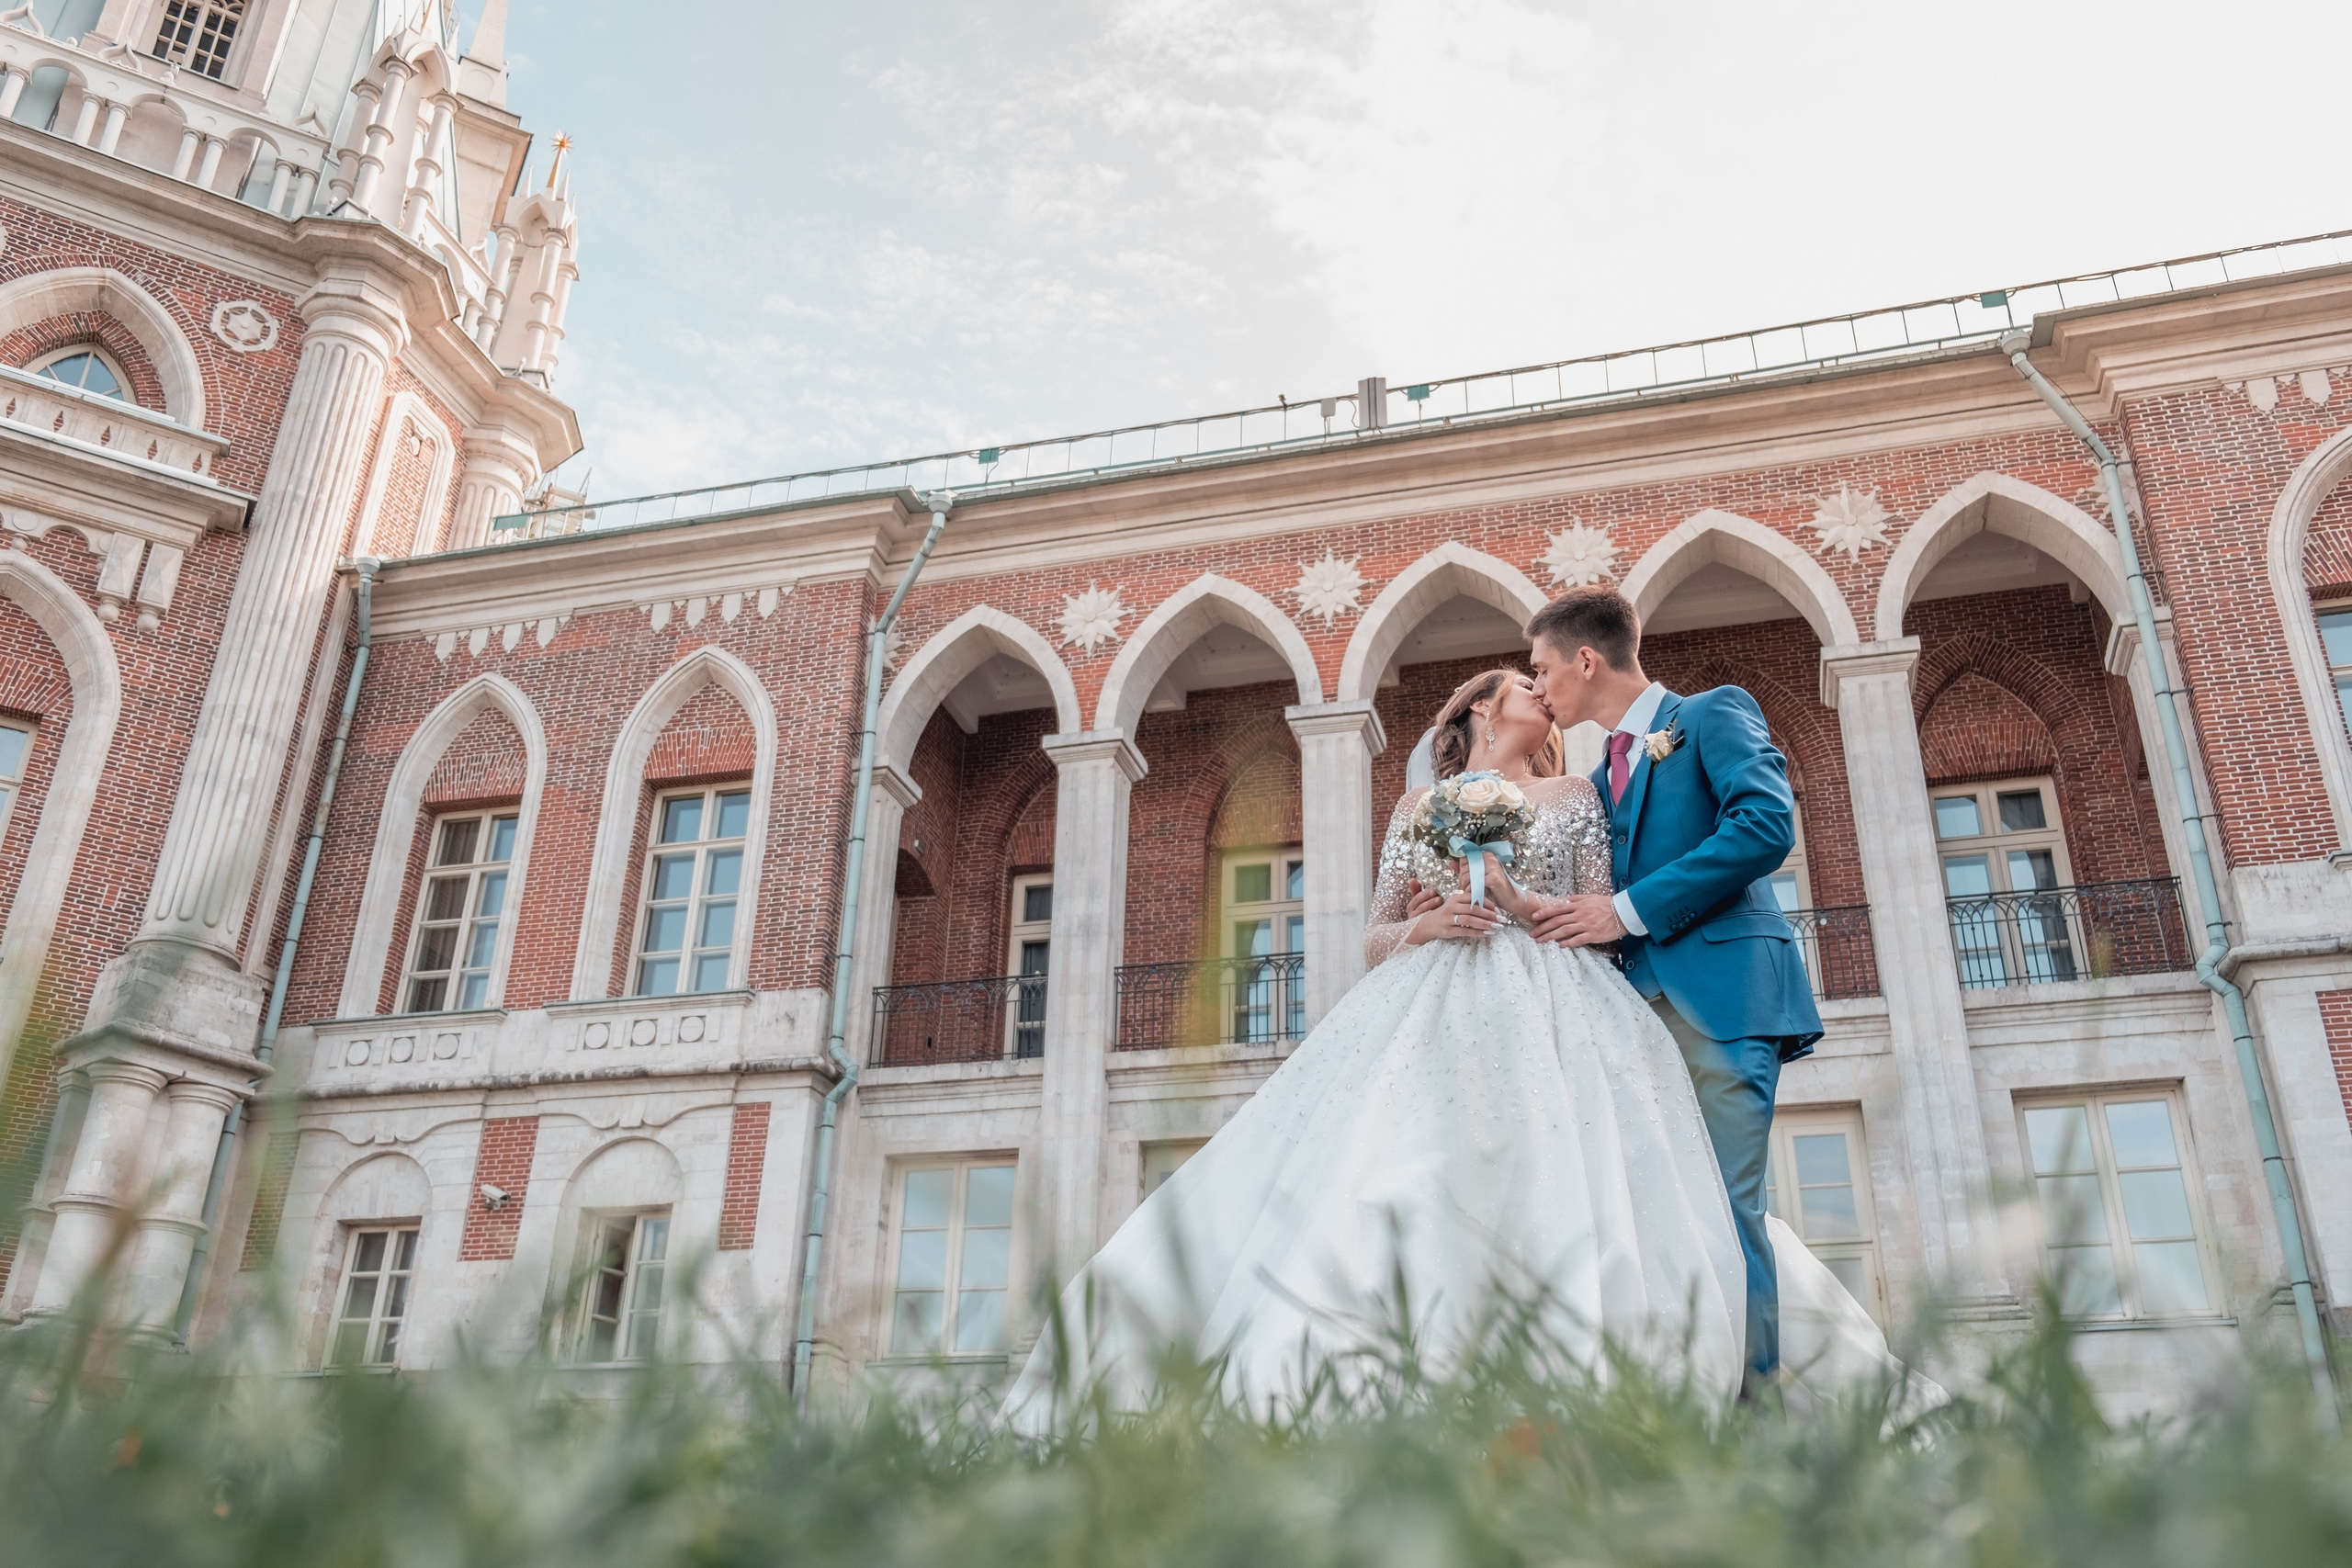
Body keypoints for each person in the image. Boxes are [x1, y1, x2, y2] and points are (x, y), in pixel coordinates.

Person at [1001, 655, 1898, 1431]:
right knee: (1400, 1167)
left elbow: (1600, 917)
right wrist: (1424, 933)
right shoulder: (1415, 807)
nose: (1540, 696)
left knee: (1569, 1173)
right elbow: (1372, 934)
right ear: (1477, 708)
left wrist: (1511, 900)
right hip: (1427, 1000)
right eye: (1521, 686)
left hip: (1558, 1002)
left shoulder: (1578, 795)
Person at [1412, 587, 1819, 1387]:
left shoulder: (1710, 715)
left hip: (1726, 1001)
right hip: (1637, 1025)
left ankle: (1757, 1417)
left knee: (1728, 1214)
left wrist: (1625, 909)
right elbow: (1574, 893)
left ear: (1585, 661)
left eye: (1541, 669)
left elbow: (1764, 826)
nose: (1539, 687)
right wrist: (1473, 886)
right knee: (1666, 1215)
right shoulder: (1598, 781)